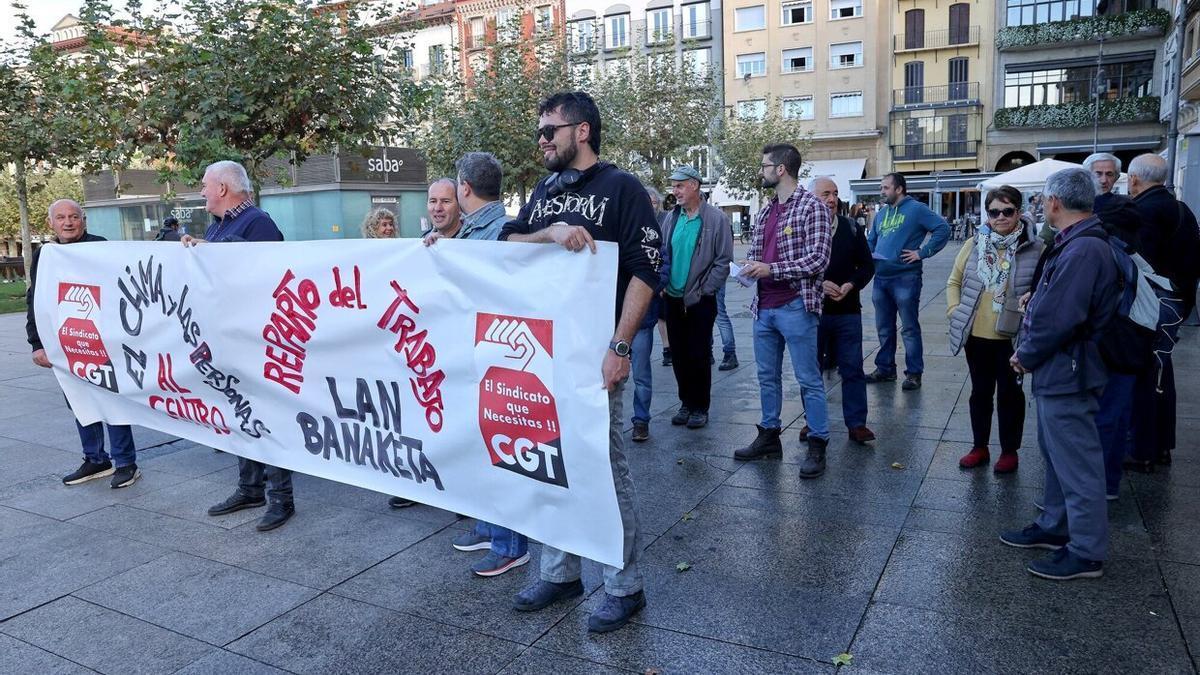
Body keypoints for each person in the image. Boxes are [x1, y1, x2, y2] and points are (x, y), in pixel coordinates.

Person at [499, 91, 659, 633]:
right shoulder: (545, 191)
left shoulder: (622, 189)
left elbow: (645, 271)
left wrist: (620, 347)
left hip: (596, 359)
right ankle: (559, 571)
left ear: (582, 131)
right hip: (543, 356)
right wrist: (549, 232)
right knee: (547, 462)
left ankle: (624, 585)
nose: (542, 140)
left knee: (605, 469)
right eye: (540, 132)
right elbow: (510, 242)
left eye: (550, 130)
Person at [412, 151, 529, 577]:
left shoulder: (497, 232)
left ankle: (510, 543)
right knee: (484, 449)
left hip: (492, 358)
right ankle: (490, 527)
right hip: (478, 356)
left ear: (463, 187)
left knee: (499, 452)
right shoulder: (478, 231)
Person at [1001, 167, 1120, 581]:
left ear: (1053, 202)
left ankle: (1086, 551)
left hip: (1068, 368)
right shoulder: (1077, 243)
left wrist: (1026, 355)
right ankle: (1056, 526)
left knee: (1077, 462)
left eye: (1042, 201)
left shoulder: (1084, 248)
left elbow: (1062, 317)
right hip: (1063, 367)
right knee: (1056, 455)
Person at [182, 161, 294, 532]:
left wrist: (213, 250)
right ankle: (250, 488)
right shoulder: (220, 225)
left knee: (267, 415)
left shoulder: (258, 222)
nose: (202, 192)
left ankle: (281, 498)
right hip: (231, 337)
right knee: (240, 411)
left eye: (205, 185)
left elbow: (266, 270)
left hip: (258, 338)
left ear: (224, 189)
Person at [733, 144, 832, 479]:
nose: (760, 171)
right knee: (766, 377)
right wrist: (749, 268)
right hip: (764, 307)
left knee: (808, 379)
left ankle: (818, 443)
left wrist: (770, 270)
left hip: (796, 305)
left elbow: (817, 260)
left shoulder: (812, 207)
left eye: (764, 166)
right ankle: (769, 436)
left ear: (781, 169)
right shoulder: (766, 210)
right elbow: (760, 253)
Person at [27, 199, 141, 489]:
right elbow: (36, 299)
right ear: (50, 223)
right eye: (61, 217)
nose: (68, 222)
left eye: (74, 217)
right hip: (64, 342)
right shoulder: (45, 255)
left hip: (101, 341)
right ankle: (95, 459)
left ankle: (126, 463)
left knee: (111, 400)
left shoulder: (99, 248)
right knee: (79, 401)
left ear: (84, 220)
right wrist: (36, 343)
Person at [947, 186, 1043, 475]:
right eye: (993, 212)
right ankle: (979, 446)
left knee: (1010, 397)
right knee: (980, 393)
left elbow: (1044, 290)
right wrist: (955, 311)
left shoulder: (1036, 248)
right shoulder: (974, 243)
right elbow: (954, 281)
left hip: (1012, 337)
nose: (1000, 217)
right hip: (976, 336)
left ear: (1019, 211)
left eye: (1007, 211)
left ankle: (1009, 451)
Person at [1126, 153, 1200, 470]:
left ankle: (1142, 449)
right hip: (1177, 304)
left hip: (1149, 307)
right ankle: (1162, 446)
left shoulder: (1140, 213)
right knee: (1161, 373)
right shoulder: (1182, 210)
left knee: (1142, 376)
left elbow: (1137, 267)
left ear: (1133, 180)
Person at [660, 165, 733, 430]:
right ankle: (685, 403)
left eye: (679, 186)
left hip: (699, 300)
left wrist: (704, 291)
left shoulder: (716, 219)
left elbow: (723, 261)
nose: (674, 191)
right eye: (673, 186)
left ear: (694, 186)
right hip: (672, 297)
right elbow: (663, 253)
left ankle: (700, 406)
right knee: (678, 354)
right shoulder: (672, 217)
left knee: (699, 354)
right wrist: (662, 283)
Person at [807, 177, 875, 445]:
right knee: (810, 370)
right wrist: (819, 284)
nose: (832, 199)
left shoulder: (852, 228)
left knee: (853, 368)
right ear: (812, 198)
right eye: (826, 194)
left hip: (847, 311)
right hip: (813, 312)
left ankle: (857, 424)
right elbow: (793, 267)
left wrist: (850, 285)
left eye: (835, 193)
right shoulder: (803, 230)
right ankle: (811, 421)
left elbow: (867, 267)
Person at [866, 173, 950, 390]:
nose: (882, 191)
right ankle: (885, 368)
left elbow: (943, 229)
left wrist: (922, 253)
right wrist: (867, 255)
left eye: (885, 187)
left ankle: (914, 373)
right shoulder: (882, 213)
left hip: (906, 277)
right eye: (881, 187)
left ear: (899, 189)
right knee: (884, 327)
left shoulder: (917, 209)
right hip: (881, 277)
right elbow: (871, 241)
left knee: (909, 328)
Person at [632, 186, 666, 443]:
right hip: (612, 316)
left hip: (641, 319)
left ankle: (641, 421)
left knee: (641, 374)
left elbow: (662, 272)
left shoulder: (656, 236)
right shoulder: (621, 231)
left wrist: (645, 288)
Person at [645, 187, 673, 368]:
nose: (651, 206)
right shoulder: (638, 218)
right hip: (645, 275)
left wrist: (664, 280)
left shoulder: (665, 218)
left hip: (661, 272)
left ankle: (668, 348)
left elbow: (667, 249)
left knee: (663, 316)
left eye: (654, 202)